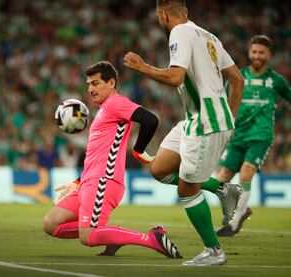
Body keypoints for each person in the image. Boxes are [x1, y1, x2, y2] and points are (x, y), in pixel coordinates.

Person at [120, 0, 244, 266]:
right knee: (159, 169)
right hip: (194, 120)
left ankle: (214, 251)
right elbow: (237, 79)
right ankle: (224, 189)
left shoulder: (179, 33)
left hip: (207, 124)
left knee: (187, 189)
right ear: (185, 11)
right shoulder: (208, 36)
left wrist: (143, 67)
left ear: (164, 14)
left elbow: (176, 77)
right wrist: (230, 117)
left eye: (157, 16)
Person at [43, 61, 182, 259]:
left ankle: (151, 238)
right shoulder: (104, 109)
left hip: (103, 181)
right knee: (51, 223)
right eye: (89, 84)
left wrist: (138, 150)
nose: (91, 89)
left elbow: (150, 119)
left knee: (87, 236)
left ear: (111, 83)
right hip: (88, 182)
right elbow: (97, 155)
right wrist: (78, 182)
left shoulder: (116, 103)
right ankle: (109, 236)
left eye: (96, 83)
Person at [216, 35, 291, 236]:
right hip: (237, 135)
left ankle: (233, 223)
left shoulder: (277, 81)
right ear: (249, 53)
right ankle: (238, 210)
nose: (257, 55)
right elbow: (223, 104)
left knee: (247, 172)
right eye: (254, 51)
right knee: (221, 178)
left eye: (261, 52)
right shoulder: (238, 77)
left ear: (269, 55)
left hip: (261, 135)